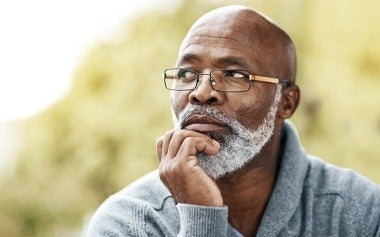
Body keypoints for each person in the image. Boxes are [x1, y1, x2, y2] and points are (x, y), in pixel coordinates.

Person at [87, 5, 380, 237]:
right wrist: (201, 218)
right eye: (187, 74)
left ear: (286, 101)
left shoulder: (359, 211)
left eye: (235, 75)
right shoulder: (128, 222)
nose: (201, 93)